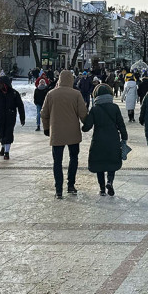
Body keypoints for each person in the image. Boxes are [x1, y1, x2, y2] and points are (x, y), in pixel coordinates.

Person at [41, 70, 89, 198]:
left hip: (56, 132)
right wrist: (87, 124)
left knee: (57, 161)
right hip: (73, 133)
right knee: (73, 158)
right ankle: (71, 185)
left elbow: (44, 113)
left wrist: (47, 128)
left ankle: (58, 190)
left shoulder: (51, 94)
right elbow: (83, 113)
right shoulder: (76, 94)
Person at [82, 84, 128, 196]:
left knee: (99, 164)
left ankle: (102, 189)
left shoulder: (95, 109)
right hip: (113, 140)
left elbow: (87, 127)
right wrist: (124, 137)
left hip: (98, 140)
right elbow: (121, 124)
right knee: (111, 162)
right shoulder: (115, 107)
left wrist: (83, 125)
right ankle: (110, 182)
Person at [0, 75, 25, 159]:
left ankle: (6, 152)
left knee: (8, 134)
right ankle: (3, 146)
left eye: (1, 84)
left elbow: (20, 106)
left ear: (6, 84)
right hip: (0, 117)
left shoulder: (14, 93)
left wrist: (22, 118)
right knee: (0, 133)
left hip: (10, 117)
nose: (0, 86)